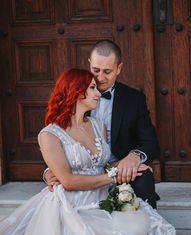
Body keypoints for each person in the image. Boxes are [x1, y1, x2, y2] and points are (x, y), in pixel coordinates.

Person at [0, 68, 191, 235]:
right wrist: (114, 176)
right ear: (75, 92)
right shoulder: (49, 134)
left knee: (154, 228)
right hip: (74, 206)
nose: (98, 93)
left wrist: (128, 167)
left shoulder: (97, 126)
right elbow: (69, 181)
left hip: (103, 198)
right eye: (92, 88)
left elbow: (102, 164)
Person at [44, 40, 160, 209]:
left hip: (118, 168)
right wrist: (48, 171)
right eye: (95, 70)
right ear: (89, 64)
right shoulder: (71, 97)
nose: (99, 78)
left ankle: (148, 228)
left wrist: (134, 158)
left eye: (107, 71)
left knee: (144, 176)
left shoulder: (134, 99)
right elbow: (53, 138)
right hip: (80, 173)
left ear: (119, 68)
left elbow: (150, 142)